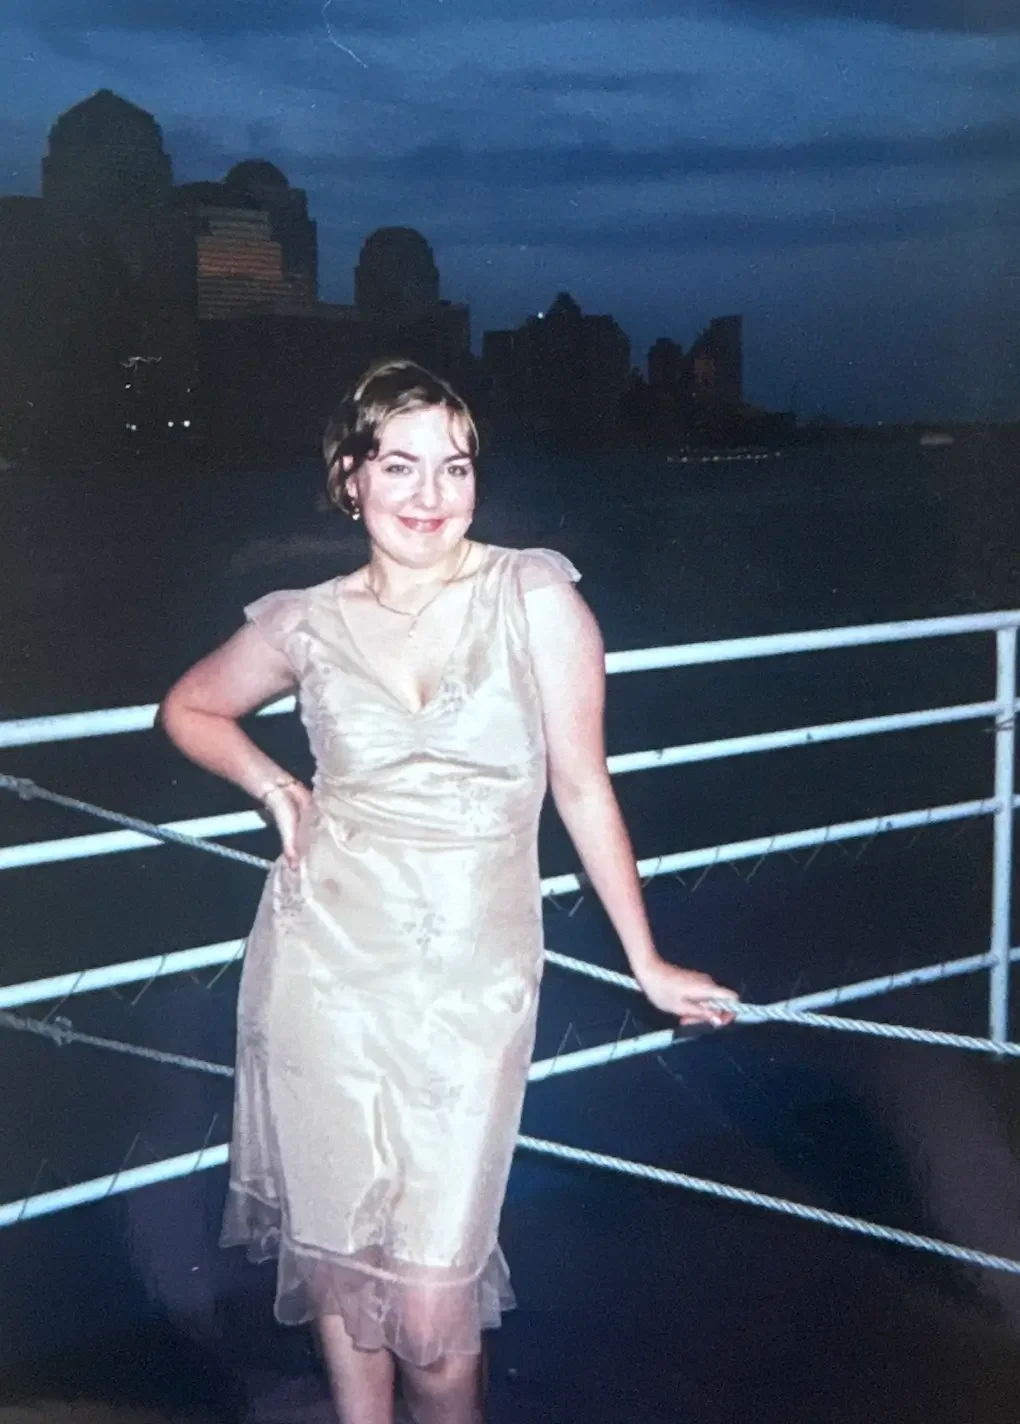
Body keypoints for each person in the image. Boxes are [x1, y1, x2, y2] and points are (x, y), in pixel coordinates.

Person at [158, 359, 738, 1424]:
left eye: (455, 467)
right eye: (400, 465)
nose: (430, 495)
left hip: (469, 988)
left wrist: (645, 960)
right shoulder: (306, 620)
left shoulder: (535, 596)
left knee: (432, 1315)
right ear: (350, 477)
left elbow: (582, 784)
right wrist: (277, 784)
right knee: (341, 1269)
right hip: (322, 970)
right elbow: (191, 708)